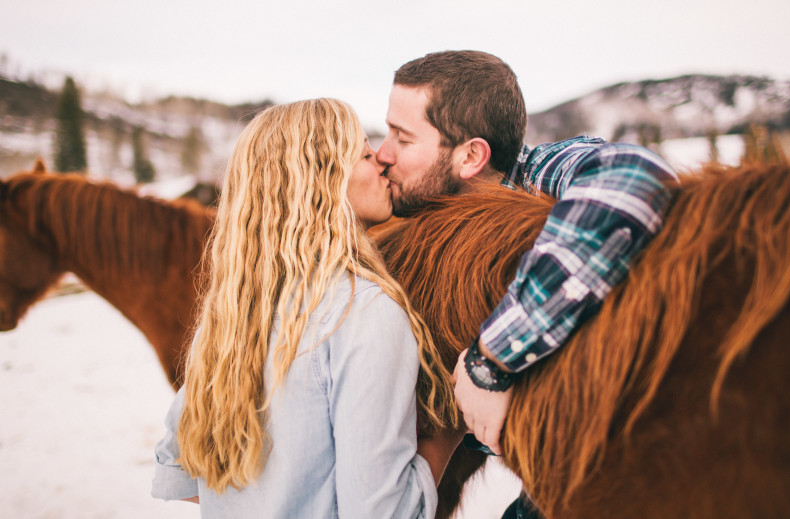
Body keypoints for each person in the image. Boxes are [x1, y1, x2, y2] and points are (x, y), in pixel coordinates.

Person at [376, 50, 678, 516]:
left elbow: (637, 179)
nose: (383, 152)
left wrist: (491, 361)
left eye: (403, 137)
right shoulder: (421, 225)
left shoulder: (541, 177)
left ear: (471, 155)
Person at [151, 99, 462, 517]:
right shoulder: (364, 311)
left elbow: (180, 469)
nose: (382, 164)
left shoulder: (238, 310)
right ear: (325, 181)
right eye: (365, 154)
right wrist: (445, 436)